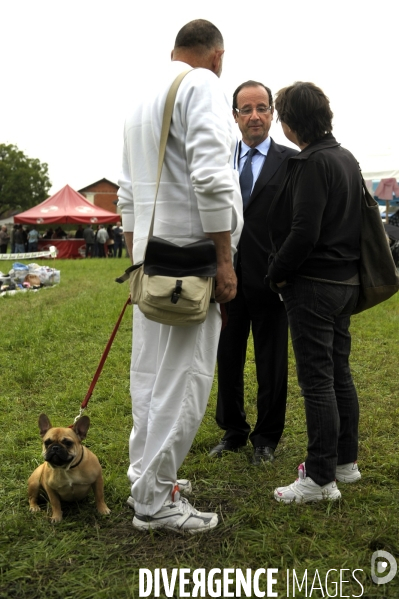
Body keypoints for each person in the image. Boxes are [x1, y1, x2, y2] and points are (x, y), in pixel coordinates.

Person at [117, 19, 243, 533]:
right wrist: (225, 259)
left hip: (152, 260)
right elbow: (212, 177)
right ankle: (154, 500)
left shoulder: (141, 96)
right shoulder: (204, 85)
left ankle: (145, 475)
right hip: (191, 262)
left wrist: (138, 257)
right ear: (216, 56)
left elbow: (126, 193)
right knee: (185, 377)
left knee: (148, 375)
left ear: (175, 51)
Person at [267, 82, 362, 503]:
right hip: (344, 282)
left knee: (317, 380)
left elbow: (304, 231)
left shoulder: (309, 163)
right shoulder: (345, 158)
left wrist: (277, 272)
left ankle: (321, 478)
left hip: (314, 284)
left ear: (289, 124)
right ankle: (346, 462)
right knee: (339, 372)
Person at [209, 81, 298, 465]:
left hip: (271, 279)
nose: (255, 116)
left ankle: (266, 437)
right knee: (226, 355)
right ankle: (233, 430)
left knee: (271, 360)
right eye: (246, 109)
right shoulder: (218, 159)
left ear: (272, 114)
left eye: (262, 107)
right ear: (235, 116)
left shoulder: (291, 161)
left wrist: (285, 270)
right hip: (226, 278)